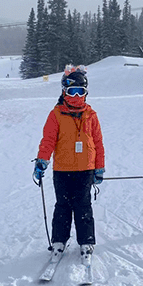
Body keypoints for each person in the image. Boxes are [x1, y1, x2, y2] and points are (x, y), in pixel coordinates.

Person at [34, 66, 107, 259]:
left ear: (86, 92)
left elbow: (98, 143)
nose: (76, 96)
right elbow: (48, 139)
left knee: (83, 206)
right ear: (64, 91)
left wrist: (99, 167)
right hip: (62, 169)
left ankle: (86, 242)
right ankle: (59, 240)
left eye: (80, 92)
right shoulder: (56, 114)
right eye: (72, 91)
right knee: (63, 206)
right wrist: (42, 160)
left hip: (86, 169)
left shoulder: (91, 115)